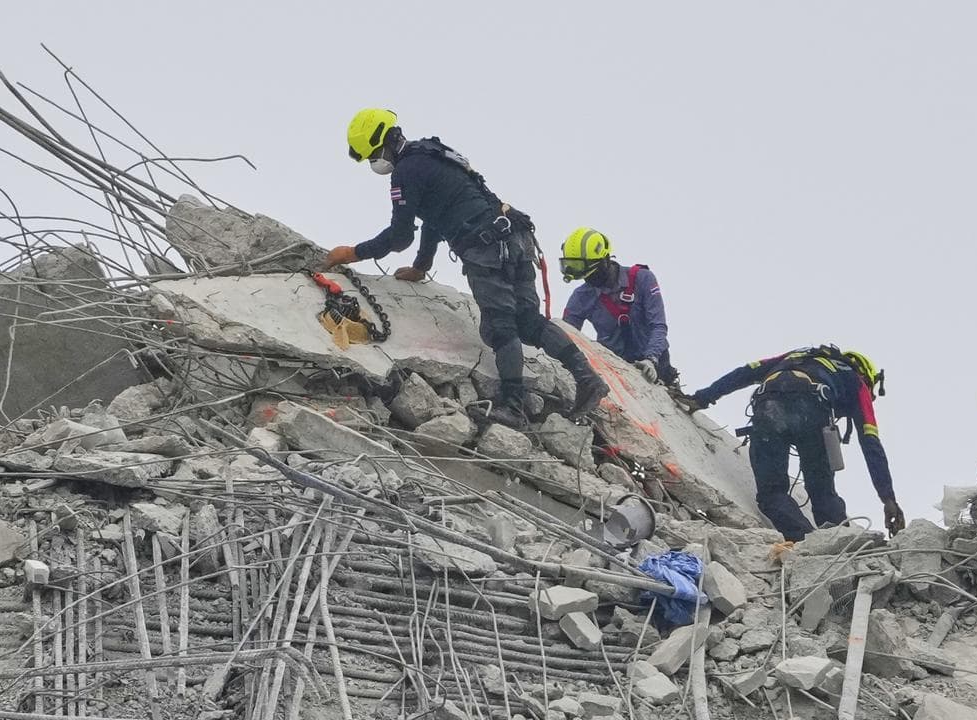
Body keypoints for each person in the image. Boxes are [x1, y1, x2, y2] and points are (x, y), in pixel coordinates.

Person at [323, 109, 608, 428]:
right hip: (516, 235)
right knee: (528, 321)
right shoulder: (433, 155)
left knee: (500, 327)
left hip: (486, 246)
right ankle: (588, 380)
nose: (374, 162)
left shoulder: (406, 171)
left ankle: (513, 406)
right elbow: (435, 217)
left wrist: (351, 253)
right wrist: (422, 266)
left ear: (381, 143)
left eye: (372, 155)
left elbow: (400, 235)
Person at [688, 345, 906, 539]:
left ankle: (805, 541)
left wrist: (702, 397)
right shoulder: (856, 381)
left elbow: (746, 372)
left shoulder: (796, 357)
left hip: (767, 407)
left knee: (772, 493)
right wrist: (888, 498)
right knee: (823, 495)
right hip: (813, 411)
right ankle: (839, 545)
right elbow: (870, 441)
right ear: (866, 375)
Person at [559, 227, 680, 389]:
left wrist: (651, 359)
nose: (588, 279)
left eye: (592, 273)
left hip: (658, 367)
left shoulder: (642, 279)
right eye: (583, 276)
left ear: (605, 260)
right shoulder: (581, 297)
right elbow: (568, 336)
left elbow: (658, 325)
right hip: (616, 369)